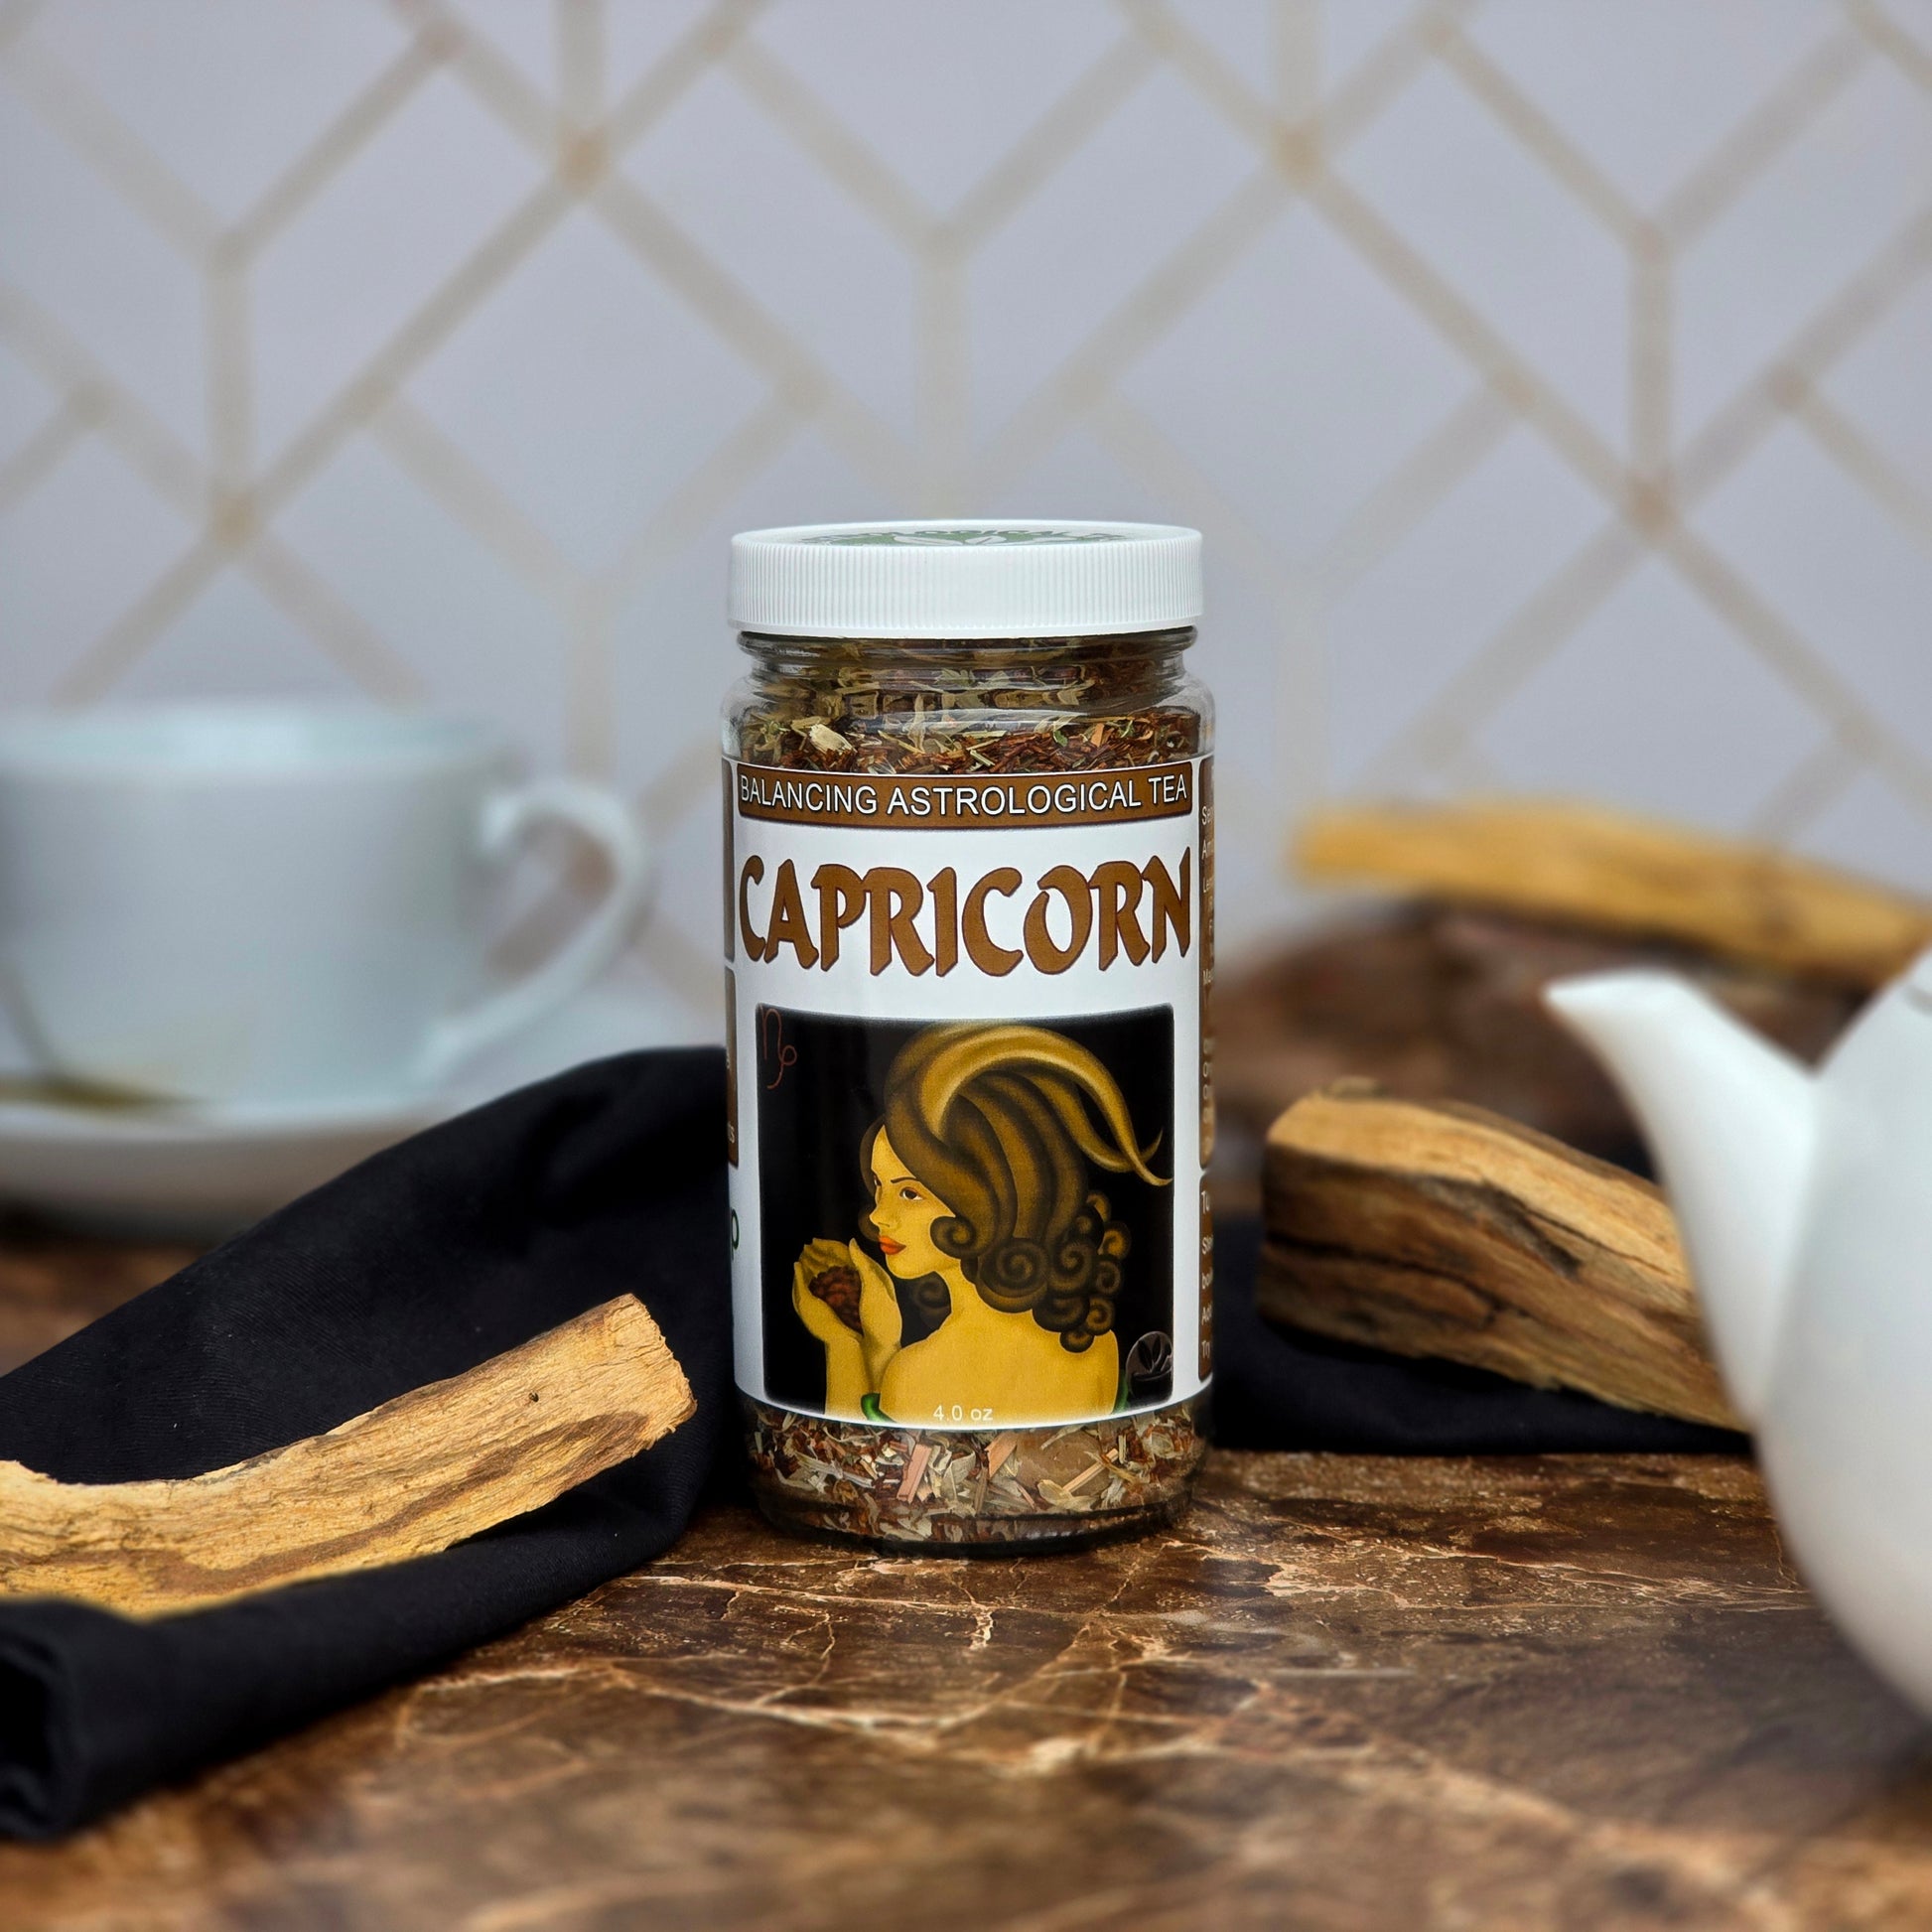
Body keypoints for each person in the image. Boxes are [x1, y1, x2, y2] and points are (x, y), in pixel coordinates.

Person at [791, 1023, 1168, 1426]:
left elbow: (858, 1470)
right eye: (879, 1186)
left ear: (986, 1203)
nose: (878, 1215)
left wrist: (843, 1344)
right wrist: (881, 1340)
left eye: (909, 1193)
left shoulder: (917, 1376)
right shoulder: (1100, 1346)